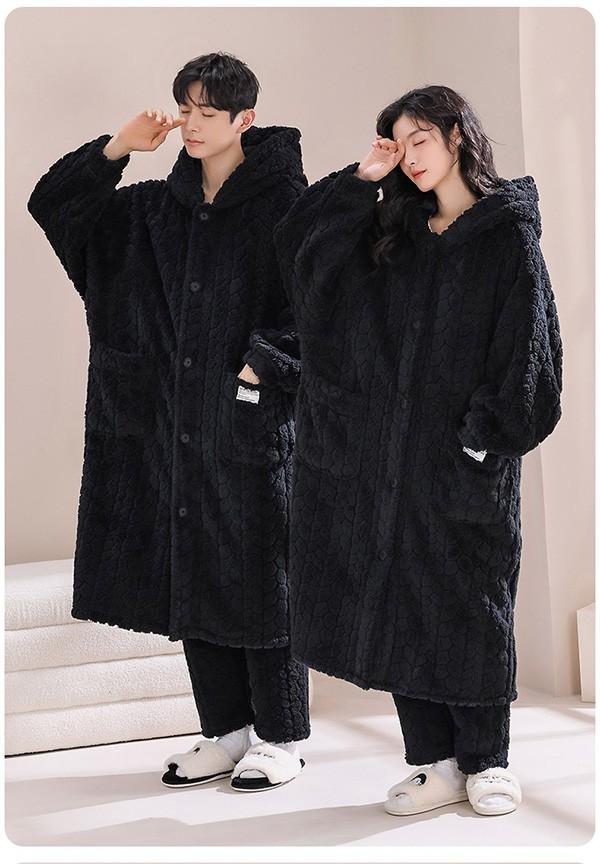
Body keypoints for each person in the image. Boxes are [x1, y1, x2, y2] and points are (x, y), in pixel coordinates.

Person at [273, 85, 563, 815]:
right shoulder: (393, 235)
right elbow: (301, 263)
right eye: (396, 144)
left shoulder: (505, 237)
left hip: (462, 461)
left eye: (420, 139)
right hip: (381, 460)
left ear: (457, 136)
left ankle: (487, 761)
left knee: (471, 604)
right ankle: (433, 762)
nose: (409, 157)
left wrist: (481, 440)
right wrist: (358, 181)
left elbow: (531, 352)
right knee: (399, 597)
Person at [27, 51, 310, 792]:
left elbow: (325, 305)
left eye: (207, 112)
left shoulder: (287, 207)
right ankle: (225, 731)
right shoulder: (156, 210)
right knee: (192, 569)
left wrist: (262, 366)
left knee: (262, 575)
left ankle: (280, 737)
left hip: (249, 423)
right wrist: (117, 149)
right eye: (185, 108)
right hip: (166, 423)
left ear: (245, 119)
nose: (191, 122)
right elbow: (56, 208)